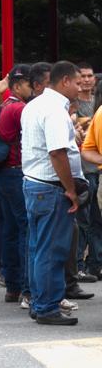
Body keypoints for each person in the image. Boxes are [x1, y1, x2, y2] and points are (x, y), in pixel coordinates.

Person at [21, 61, 83, 326]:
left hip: (35, 184)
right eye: (77, 82)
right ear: (65, 81)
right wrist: (71, 189)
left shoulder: (34, 105)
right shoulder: (55, 110)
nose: (81, 88)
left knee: (38, 248)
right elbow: (57, 152)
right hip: (51, 187)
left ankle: (40, 302)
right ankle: (47, 307)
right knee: (51, 251)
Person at [0, 65, 33, 306]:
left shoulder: (6, 106)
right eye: (28, 84)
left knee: (10, 230)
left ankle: (12, 286)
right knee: (25, 229)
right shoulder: (19, 108)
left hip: (2, 173)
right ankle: (27, 288)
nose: (32, 87)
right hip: (16, 172)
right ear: (17, 86)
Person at [73, 62, 101, 283]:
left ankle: (95, 264)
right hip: (83, 170)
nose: (86, 80)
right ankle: (78, 266)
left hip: (97, 170)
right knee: (83, 221)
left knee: (96, 221)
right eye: (82, 76)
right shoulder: (72, 104)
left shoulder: (96, 104)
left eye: (90, 76)